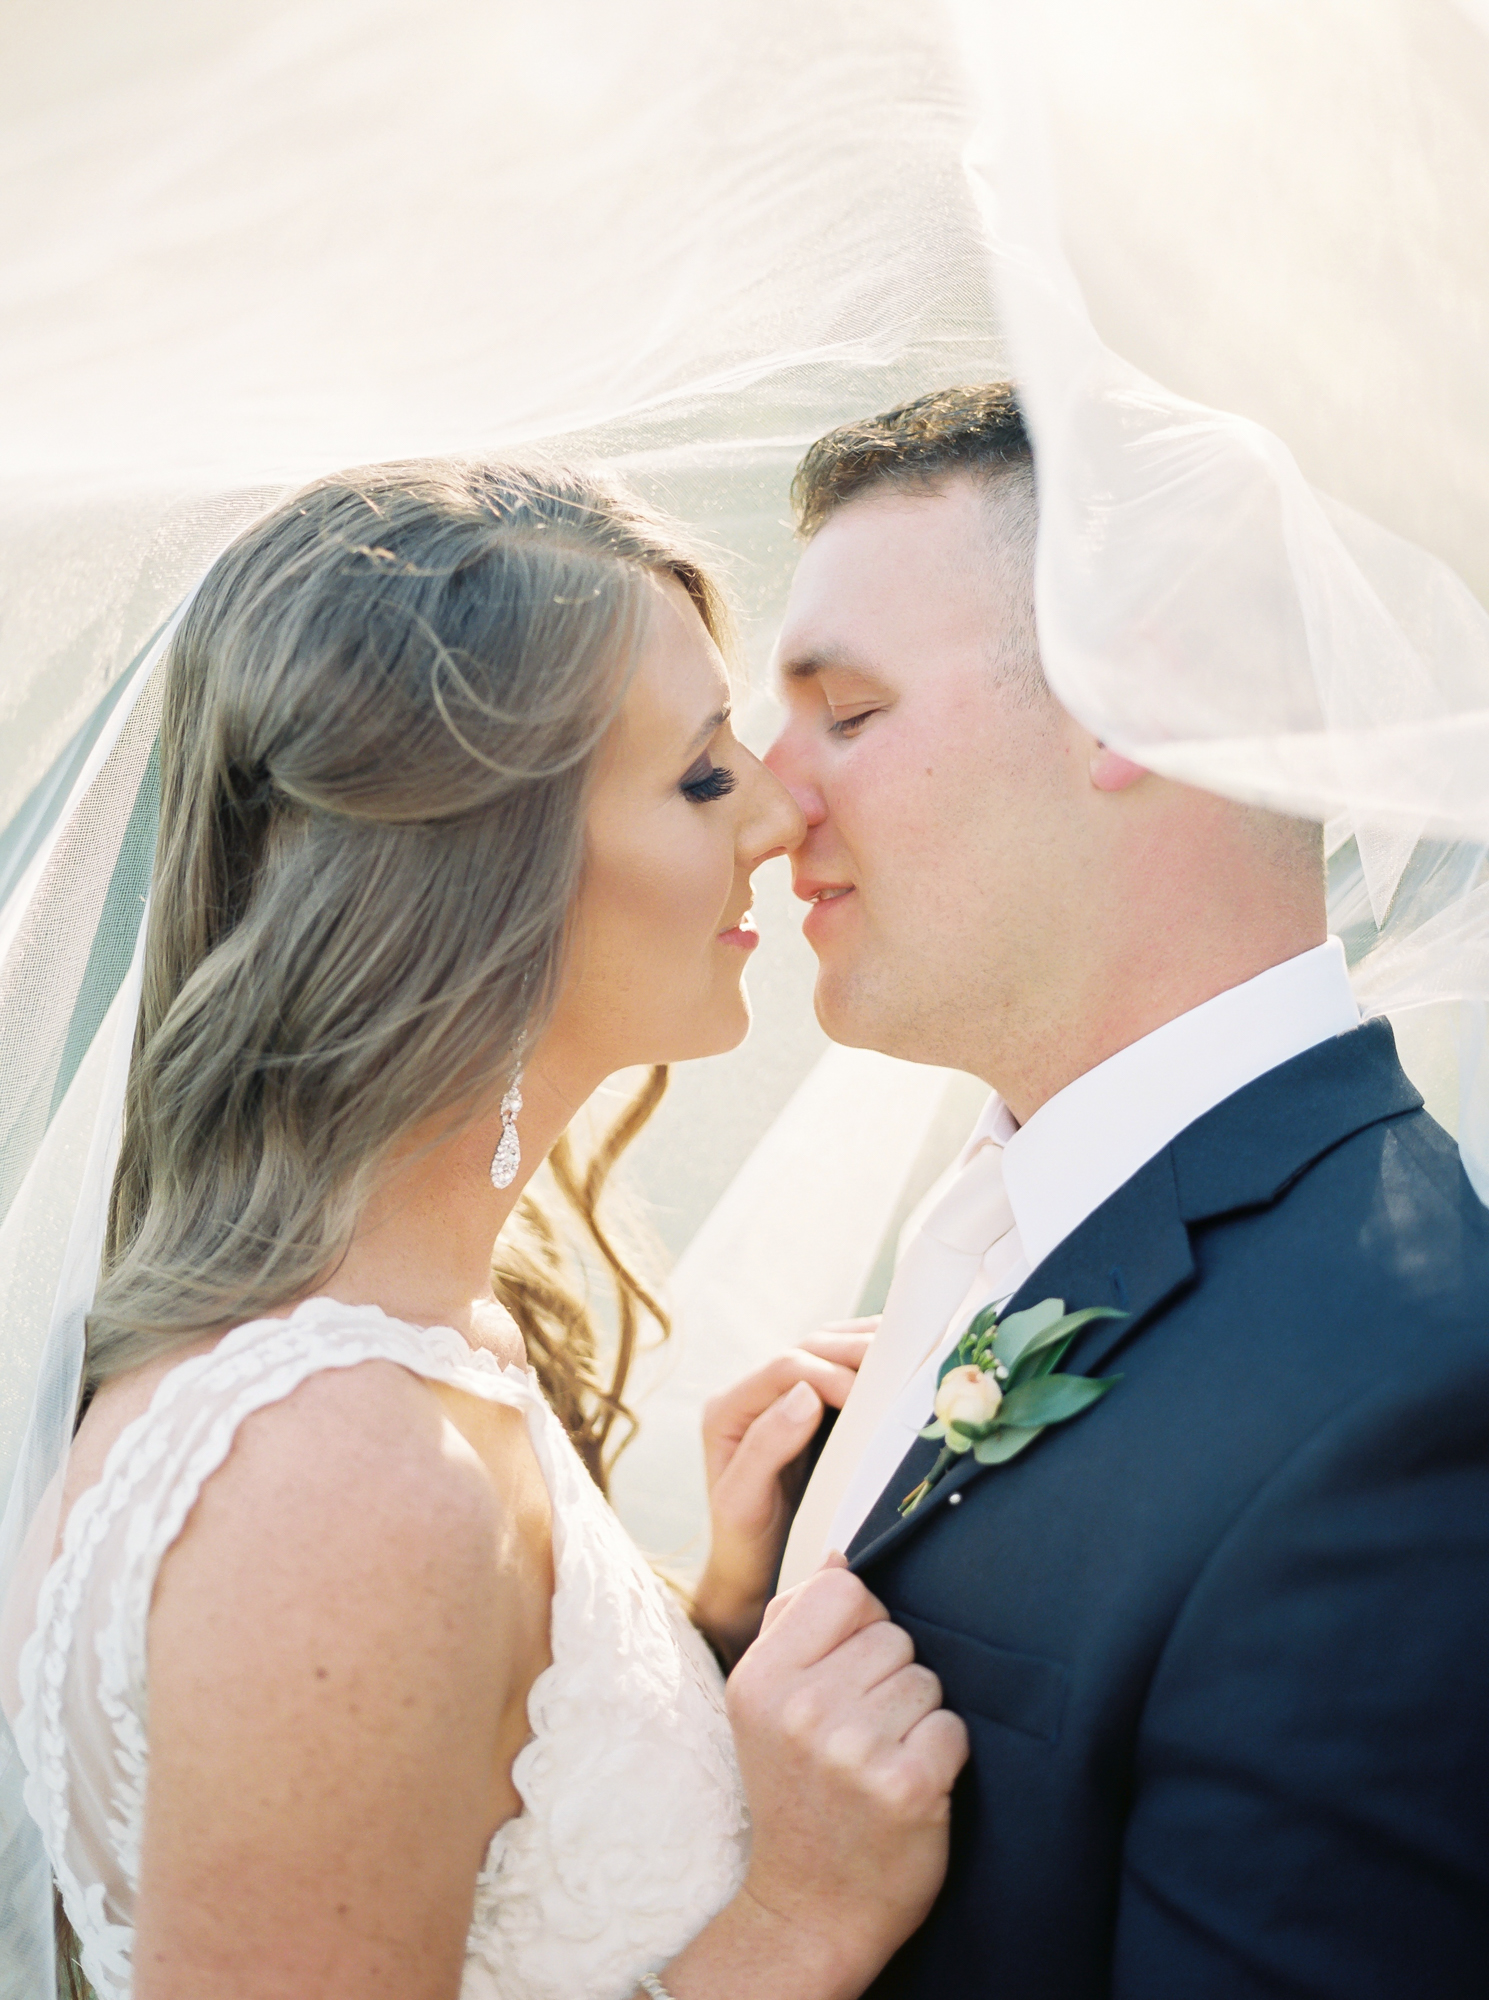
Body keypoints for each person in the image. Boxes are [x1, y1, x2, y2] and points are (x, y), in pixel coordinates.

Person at [0, 458, 969, 2000]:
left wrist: (701, 1617)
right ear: (480, 874)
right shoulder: (334, 1477)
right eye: (703, 774)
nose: (781, 816)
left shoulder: (416, 1347)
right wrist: (788, 1923)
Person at [766, 384, 1489, 1998]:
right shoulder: (1016, 1231)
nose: (764, 798)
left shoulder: (1413, 1402)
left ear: (1138, 699)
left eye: (847, 712)